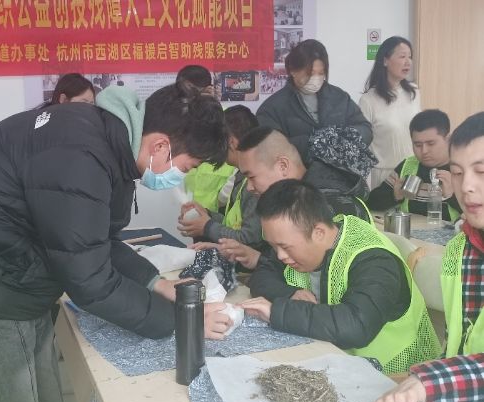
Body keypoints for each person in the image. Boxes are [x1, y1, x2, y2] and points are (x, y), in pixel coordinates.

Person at [0, 83, 233, 402]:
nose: (179, 176)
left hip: (14, 271)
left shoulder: (107, 140)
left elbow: (92, 240)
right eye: (186, 168)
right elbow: (91, 283)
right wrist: (181, 321)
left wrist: (157, 284)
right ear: (160, 145)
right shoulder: (81, 156)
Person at [237, 179, 442, 374]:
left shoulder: (375, 260)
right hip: (335, 360)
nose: (280, 255)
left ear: (318, 232)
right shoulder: (296, 239)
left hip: (393, 376)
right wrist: (289, 293)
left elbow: (356, 326)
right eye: (274, 246)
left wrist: (278, 312)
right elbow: (263, 274)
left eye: (284, 247)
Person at [373, 112, 484, 402]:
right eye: (458, 173)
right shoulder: (461, 250)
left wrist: (433, 383)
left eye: (481, 171)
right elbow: (460, 339)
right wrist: (446, 401)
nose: (467, 186)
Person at [198, 126, 374, 272]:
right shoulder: (289, 202)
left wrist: (260, 261)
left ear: (283, 166)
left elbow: (314, 281)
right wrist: (247, 255)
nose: (249, 187)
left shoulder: (328, 206)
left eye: (252, 177)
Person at [256, 39, 372, 160]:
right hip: (301, 171)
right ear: (293, 70)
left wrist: (342, 138)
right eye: (310, 74)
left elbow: (365, 129)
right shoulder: (272, 108)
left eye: (321, 73)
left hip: (339, 171)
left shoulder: (339, 97)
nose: (316, 79)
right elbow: (270, 149)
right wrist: (314, 143)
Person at [177, 106, 263, 248]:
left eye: (218, 142)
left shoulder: (254, 183)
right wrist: (207, 215)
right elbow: (233, 225)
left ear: (231, 142)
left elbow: (249, 240)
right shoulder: (240, 175)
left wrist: (207, 227)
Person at [367, 109, 462, 221]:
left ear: (448, 139)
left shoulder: (462, 169)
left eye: (431, 143)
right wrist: (394, 195)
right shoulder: (408, 166)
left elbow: (477, 216)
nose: (424, 151)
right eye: (417, 145)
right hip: (409, 230)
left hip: (451, 232)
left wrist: (452, 195)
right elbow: (371, 202)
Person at [360, 36, 421, 189]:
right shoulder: (368, 100)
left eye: (410, 57)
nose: (408, 62)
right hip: (384, 176)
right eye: (402, 56)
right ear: (385, 61)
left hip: (412, 172)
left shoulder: (413, 92)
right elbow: (363, 147)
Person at [178, 65, 236, 213]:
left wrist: (224, 195)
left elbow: (242, 160)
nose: (185, 97)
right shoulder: (184, 120)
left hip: (222, 208)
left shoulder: (229, 120)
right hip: (193, 206)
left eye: (190, 91)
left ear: (208, 89)